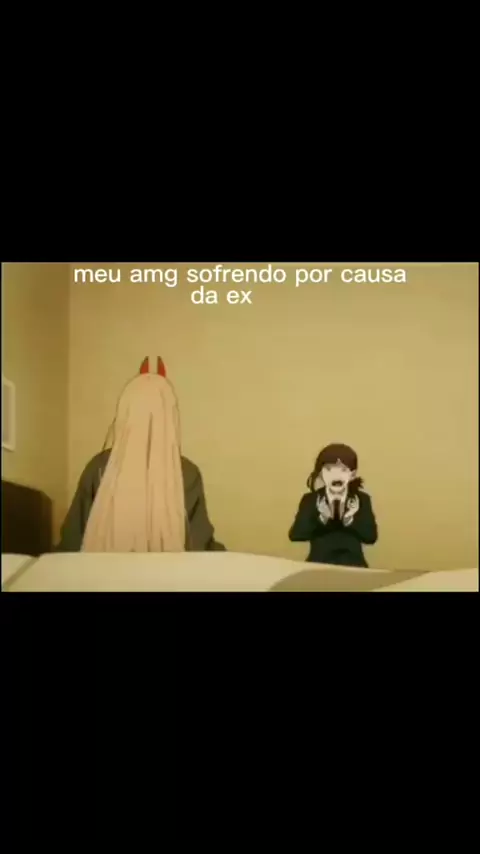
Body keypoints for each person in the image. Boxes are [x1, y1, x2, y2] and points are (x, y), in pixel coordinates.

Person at [56, 358, 225, 552]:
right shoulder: (187, 472)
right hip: (168, 571)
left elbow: (72, 541)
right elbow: (199, 546)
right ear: (170, 416)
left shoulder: (99, 467)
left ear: (126, 413)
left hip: (103, 570)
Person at [288, 443, 377, 567]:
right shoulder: (311, 499)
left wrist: (349, 520)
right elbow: (296, 535)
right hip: (318, 565)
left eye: (343, 470)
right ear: (320, 474)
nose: (336, 476)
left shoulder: (361, 499)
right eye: (329, 469)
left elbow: (371, 537)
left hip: (354, 566)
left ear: (352, 474)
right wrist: (322, 519)